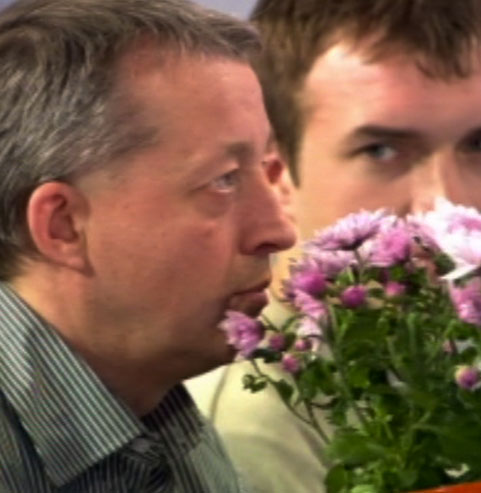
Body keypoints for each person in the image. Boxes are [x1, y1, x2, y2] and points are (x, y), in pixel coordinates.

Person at [186, 0, 481, 492]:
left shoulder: (457, 380)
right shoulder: (240, 438)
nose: (444, 207)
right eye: (382, 151)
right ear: (275, 178)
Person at [0, 0, 296, 491]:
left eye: (264, 171)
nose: (279, 231)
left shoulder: (168, 425)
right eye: (223, 181)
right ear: (64, 225)